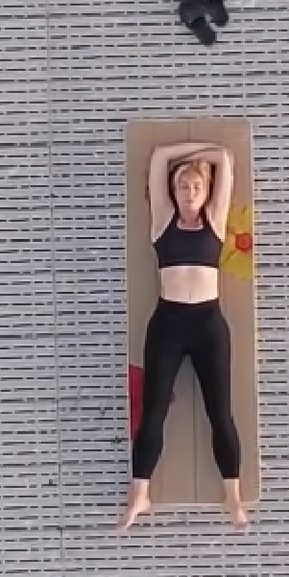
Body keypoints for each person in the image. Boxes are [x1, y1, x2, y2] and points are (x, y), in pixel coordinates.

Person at [121, 141, 249, 528]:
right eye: (182, 187)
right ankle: (139, 493)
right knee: (153, 414)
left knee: (220, 414)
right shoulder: (162, 220)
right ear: (172, 193)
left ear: (207, 191)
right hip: (169, 323)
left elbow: (225, 160)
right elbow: (159, 156)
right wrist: (191, 155)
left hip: (209, 324)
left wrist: (207, 156)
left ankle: (233, 496)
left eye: (196, 187)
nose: (189, 193)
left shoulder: (215, 219)